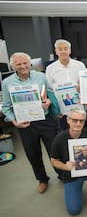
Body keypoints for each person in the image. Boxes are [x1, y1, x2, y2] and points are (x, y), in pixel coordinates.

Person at [1, 52, 60, 194]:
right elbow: (6, 107)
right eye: (18, 64)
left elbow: (50, 93)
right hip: (25, 124)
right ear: (13, 66)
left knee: (54, 149)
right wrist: (14, 121)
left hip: (45, 120)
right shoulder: (7, 82)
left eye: (25, 63)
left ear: (30, 63)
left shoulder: (40, 76)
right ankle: (42, 179)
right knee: (33, 154)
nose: (22, 66)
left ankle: (62, 174)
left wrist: (49, 102)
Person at [50, 108, 87, 215]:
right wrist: (65, 166)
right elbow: (54, 161)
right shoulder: (59, 139)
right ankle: (75, 189)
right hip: (71, 175)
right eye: (74, 120)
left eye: (81, 121)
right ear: (68, 120)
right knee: (73, 210)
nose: (78, 123)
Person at [45, 39, 86, 131]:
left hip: (79, 107)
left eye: (65, 48)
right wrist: (55, 109)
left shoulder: (80, 65)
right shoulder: (50, 69)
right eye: (60, 49)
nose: (63, 51)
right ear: (56, 51)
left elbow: (85, 84)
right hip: (62, 110)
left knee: (82, 133)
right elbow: (50, 90)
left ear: (70, 50)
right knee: (65, 135)